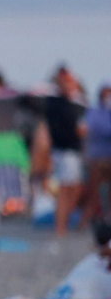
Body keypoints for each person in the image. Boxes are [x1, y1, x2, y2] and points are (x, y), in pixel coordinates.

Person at [44, 65, 88, 237]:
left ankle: (63, 223)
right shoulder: (57, 103)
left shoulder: (72, 103)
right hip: (65, 150)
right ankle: (60, 227)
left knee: (73, 187)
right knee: (66, 188)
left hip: (70, 150)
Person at [84, 84, 111, 226]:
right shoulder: (94, 112)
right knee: (94, 193)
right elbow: (101, 129)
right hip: (97, 159)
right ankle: (87, 221)